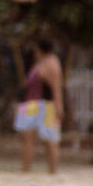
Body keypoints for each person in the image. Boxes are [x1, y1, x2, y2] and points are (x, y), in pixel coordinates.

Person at [15, 37, 64, 173]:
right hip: (31, 105)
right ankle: (26, 170)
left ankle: (52, 171)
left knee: (50, 139)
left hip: (45, 105)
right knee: (27, 138)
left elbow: (56, 87)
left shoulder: (51, 64)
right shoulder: (39, 63)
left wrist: (59, 106)